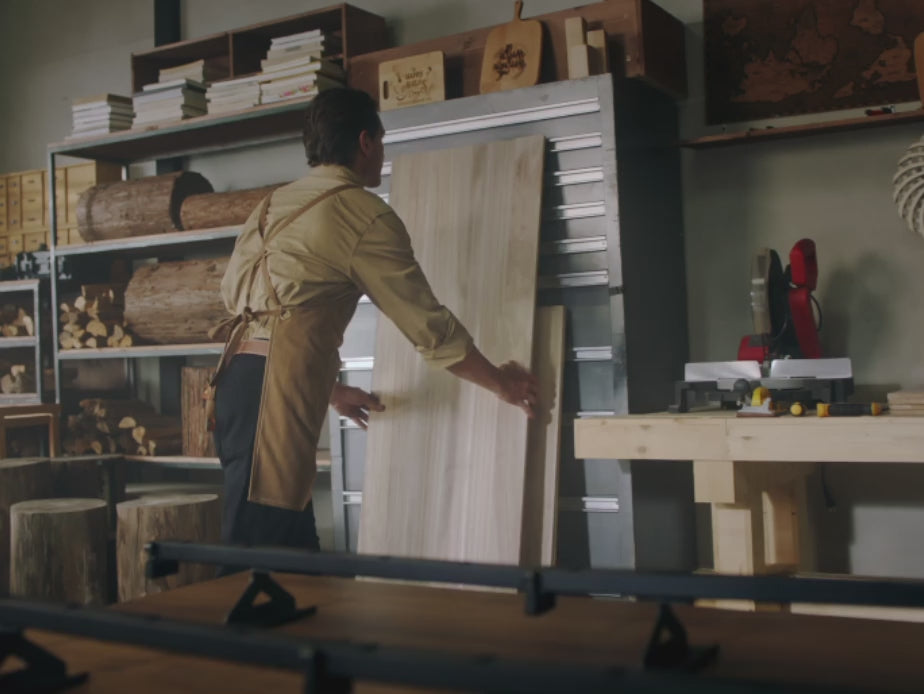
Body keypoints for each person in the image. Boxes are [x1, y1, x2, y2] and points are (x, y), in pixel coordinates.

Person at [211, 87, 538, 553]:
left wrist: (329, 390)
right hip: (275, 395)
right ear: (365, 142)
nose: (382, 155)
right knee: (256, 563)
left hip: (236, 384)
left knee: (287, 546)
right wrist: (500, 383)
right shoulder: (361, 214)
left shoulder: (271, 205)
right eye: (381, 143)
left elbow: (255, 308)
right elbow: (429, 328)